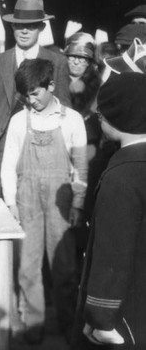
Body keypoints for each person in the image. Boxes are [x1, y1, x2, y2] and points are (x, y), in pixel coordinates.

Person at [1, 58, 87, 344]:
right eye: (26, 95)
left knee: (64, 267)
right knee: (28, 266)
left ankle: (68, 324)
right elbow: (8, 164)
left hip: (60, 201)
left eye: (35, 93)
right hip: (26, 200)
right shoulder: (18, 121)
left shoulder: (72, 120)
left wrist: (77, 204)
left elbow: (80, 166)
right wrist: (11, 202)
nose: (30, 100)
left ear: (51, 85)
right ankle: (34, 323)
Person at [72, 72, 146, 349]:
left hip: (126, 314)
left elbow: (112, 252)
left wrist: (101, 318)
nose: (98, 114)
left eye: (103, 110)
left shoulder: (121, 177)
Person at [0, 0, 71, 199]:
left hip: (40, 147)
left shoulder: (57, 62)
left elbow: (65, 109)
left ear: (42, 28)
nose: (24, 31)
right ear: (12, 27)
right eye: (19, 26)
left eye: (32, 25)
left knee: (34, 211)